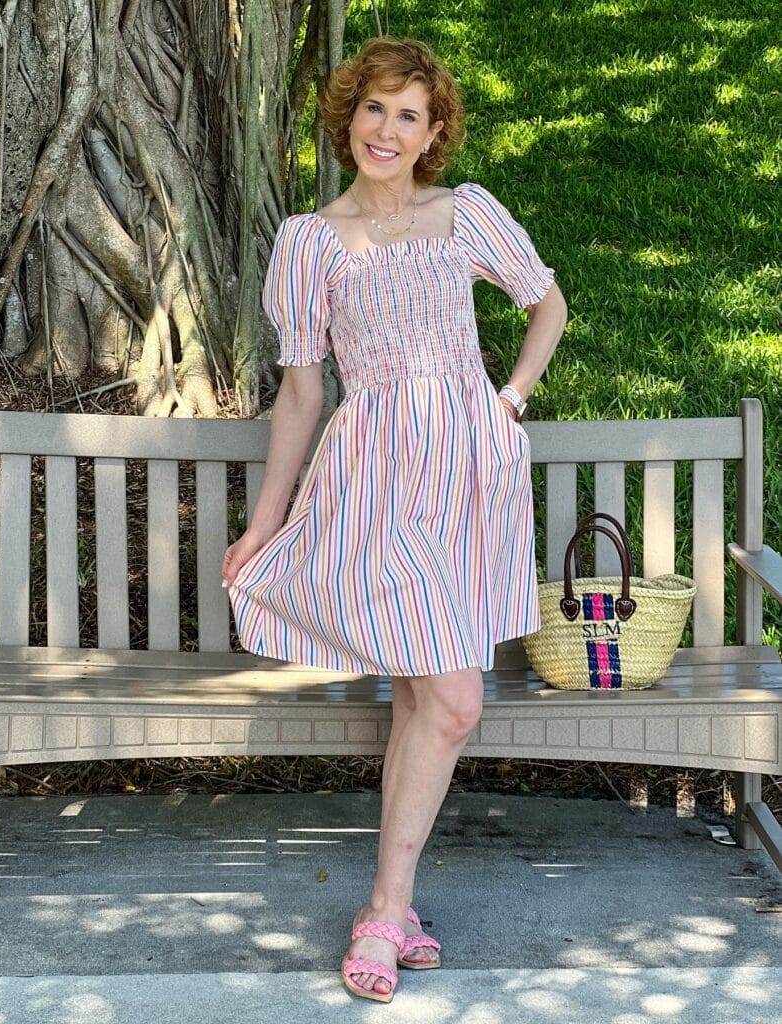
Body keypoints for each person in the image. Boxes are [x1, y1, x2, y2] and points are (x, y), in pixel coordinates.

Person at [220, 35, 568, 1004]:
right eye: (374, 108)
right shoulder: (310, 240)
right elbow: (300, 394)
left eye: (408, 114)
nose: (387, 129)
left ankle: (394, 905)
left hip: (469, 474)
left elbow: (547, 305)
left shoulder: (465, 215)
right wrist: (264, 523)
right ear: (349, 118)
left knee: (430, 700)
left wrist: (511, 400)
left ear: (434, 133)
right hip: (374, 477)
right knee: (454, 700)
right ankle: (383, 905)